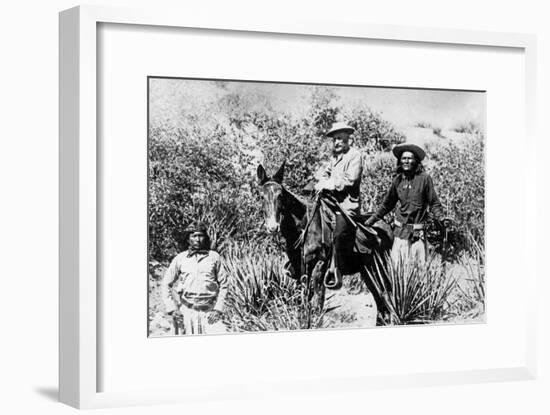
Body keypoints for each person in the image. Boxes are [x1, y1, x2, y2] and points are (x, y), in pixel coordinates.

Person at [365, 143, 448, 265]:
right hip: (400, 234)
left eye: (410, 158)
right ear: (400, 161)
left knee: (418, 271)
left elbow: (434, 203)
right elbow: (387, 205)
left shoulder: (424, 179)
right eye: (404, 158)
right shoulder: (397, 180)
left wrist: (441, 217)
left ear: (416, 161)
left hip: (417, 234)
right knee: (398, 270)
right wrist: (370, 221)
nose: (406, 161)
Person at [314, 121, 363, 288]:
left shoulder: (355, 156)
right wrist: (321, 180)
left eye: (340, 139)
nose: (337, 142)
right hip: (329, 203)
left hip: (346, 206)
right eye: (334, 139)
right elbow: (324, 172)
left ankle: (337, 270)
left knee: (339, 235)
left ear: (348, 139)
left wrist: (329, 184)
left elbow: (350, 179)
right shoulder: (333, 158)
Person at [161, 221, 228, 335]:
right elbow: (166, 284)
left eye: (201, 235)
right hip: (186, 312)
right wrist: (172, 309)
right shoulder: (180, 258)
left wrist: (218, 309)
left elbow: (224, 284)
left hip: (209, 312)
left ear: (205, 238)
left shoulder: (214, 257)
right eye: (194, 236)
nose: (197, 239)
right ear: (188, 239)